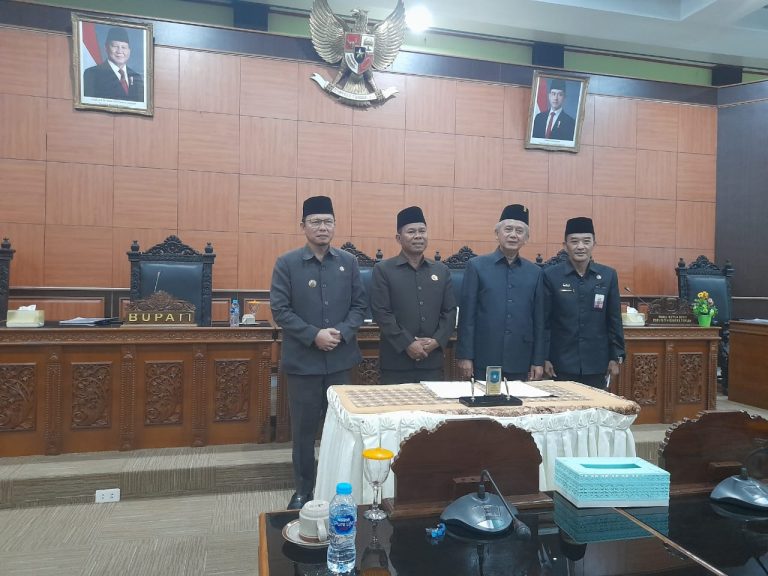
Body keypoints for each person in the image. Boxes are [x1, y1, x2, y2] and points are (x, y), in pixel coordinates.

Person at [270, 196, 367, 510]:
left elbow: (359, 307)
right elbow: (280, 310)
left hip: (340, 361)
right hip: (303, 363)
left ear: (334, 226)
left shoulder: (349, 263)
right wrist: (314, 336)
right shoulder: (286, 263)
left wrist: (342, 332)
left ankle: (339, 486)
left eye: (328, 222)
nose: (322, 227)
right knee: (303, 431)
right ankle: (303, 489)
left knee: (343, 429)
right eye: (315, 222)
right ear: (303, 226)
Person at [456, 204, 545, 382]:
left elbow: (539, 320)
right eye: (508, 229)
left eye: (519, 231)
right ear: (497, 234)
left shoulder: (535, 272)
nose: (513, 235)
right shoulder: (477, 266)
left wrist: (538, 360)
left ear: (526, 238)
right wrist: (465, 355)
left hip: (521, 357)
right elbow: (467, 316)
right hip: (484, 355)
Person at [370, 206, 457, 384]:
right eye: (411, 232)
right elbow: (381, 312)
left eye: (422, 231)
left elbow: (449, 312)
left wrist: (436, 341)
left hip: (431, 361)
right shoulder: (383, 269)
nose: (418, 236)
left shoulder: (441, 270)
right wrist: (407, 343)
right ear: (398, 238)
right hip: (396, 362)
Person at [543, 217, 625, 388]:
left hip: (597, 363)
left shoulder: (608, 275)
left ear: (594, 244)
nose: (580, 246)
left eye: (586, 241)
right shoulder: (550, 275)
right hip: (560, 363)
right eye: (574, 241)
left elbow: (614, 319)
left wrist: (616, 356)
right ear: (565, 245)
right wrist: (543, 357)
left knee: (595, 405)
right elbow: (544, 321)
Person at [83, 27, 145, 102]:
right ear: (106, 47)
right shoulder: (92, 74)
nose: (120, 51)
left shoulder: (136, 77)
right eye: (115, 46)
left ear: (129, 51)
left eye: (124, 47)